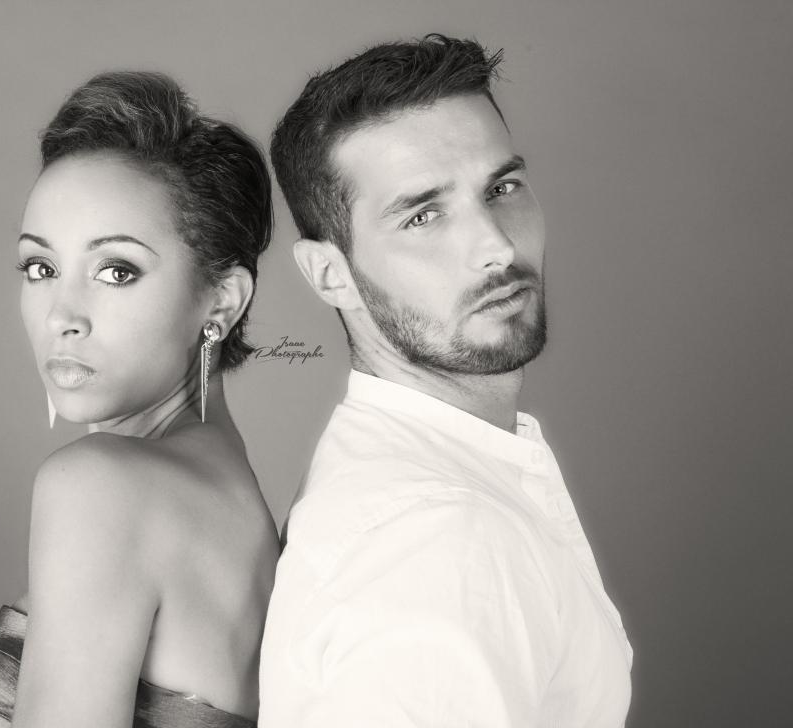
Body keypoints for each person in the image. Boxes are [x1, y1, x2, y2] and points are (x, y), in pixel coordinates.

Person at [259, 34, 633, 727]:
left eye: (502, 188)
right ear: (329, 274)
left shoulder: (433, 488)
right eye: (423, 215)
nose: (497, 246)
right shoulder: (437, 545)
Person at [0, 71, 279, 728]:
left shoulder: (99, 484)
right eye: (41, 268)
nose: (61, 315)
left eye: (116, 270)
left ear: (222, 301)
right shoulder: (238, 507)